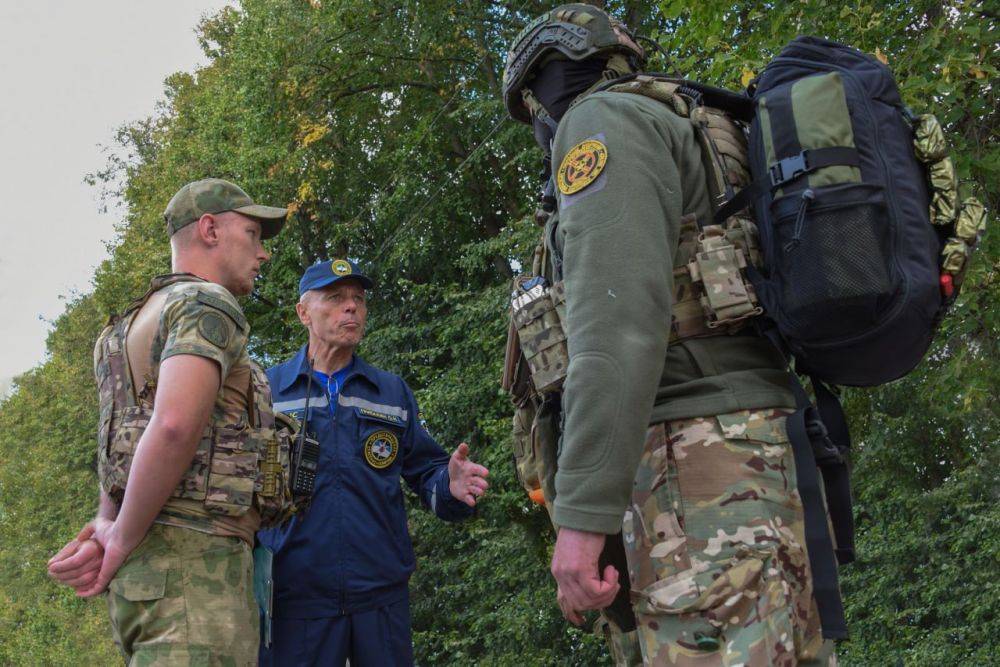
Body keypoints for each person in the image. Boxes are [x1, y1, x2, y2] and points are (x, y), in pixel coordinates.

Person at [501, 4, 839, 665]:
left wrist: (583, 515)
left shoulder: (601, 122)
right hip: (761, 450)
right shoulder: (707, 127)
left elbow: (615, 321)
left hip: (698, 471)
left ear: (544, 83)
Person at [47, 177, 298, 665]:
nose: (263, 253)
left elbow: (120, 439)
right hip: (195, 570)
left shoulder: (120, 330)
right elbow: (172, 426)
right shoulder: (205, 304)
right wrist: (116, 536)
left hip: (147, 580)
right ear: (209, 229)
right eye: (253, 233)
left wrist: (109, 522)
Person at [256, 258, 490, 667]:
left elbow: (427, 473)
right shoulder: (266, 391)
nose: (352, 308)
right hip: (295, 599)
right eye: (335, 298)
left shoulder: (389, 392)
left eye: (358, 299)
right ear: (303, 312)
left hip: (381, 599)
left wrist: (449, 487)